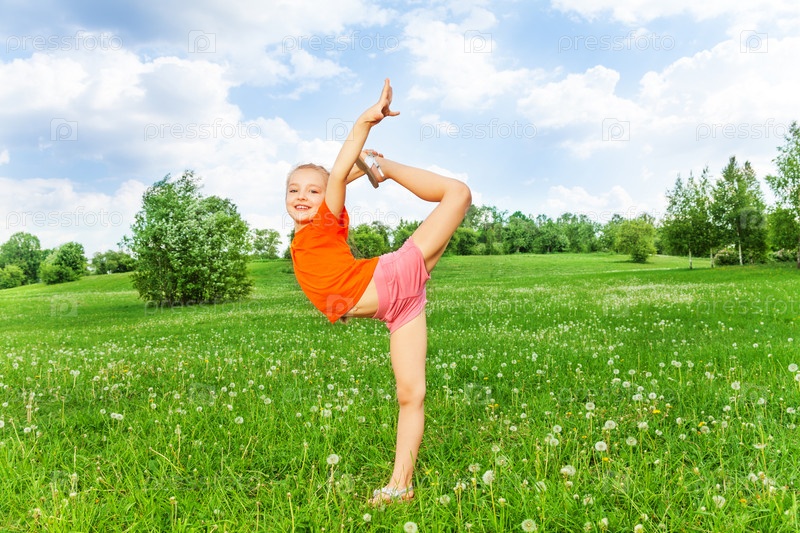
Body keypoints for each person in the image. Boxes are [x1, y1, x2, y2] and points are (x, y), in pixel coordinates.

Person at [285, 79, 471, 504]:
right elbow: (339, 176)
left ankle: (386, 166)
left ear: (327, 198)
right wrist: (358, 170)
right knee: (411, 394)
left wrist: (364, 123)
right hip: (399, 307)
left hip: (391, 276)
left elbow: (337, 174)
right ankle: (400, 486)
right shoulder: (305, 237)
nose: (302, 196)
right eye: (294, 190)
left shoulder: (325, 221)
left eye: (313, 190)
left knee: (458, 194)